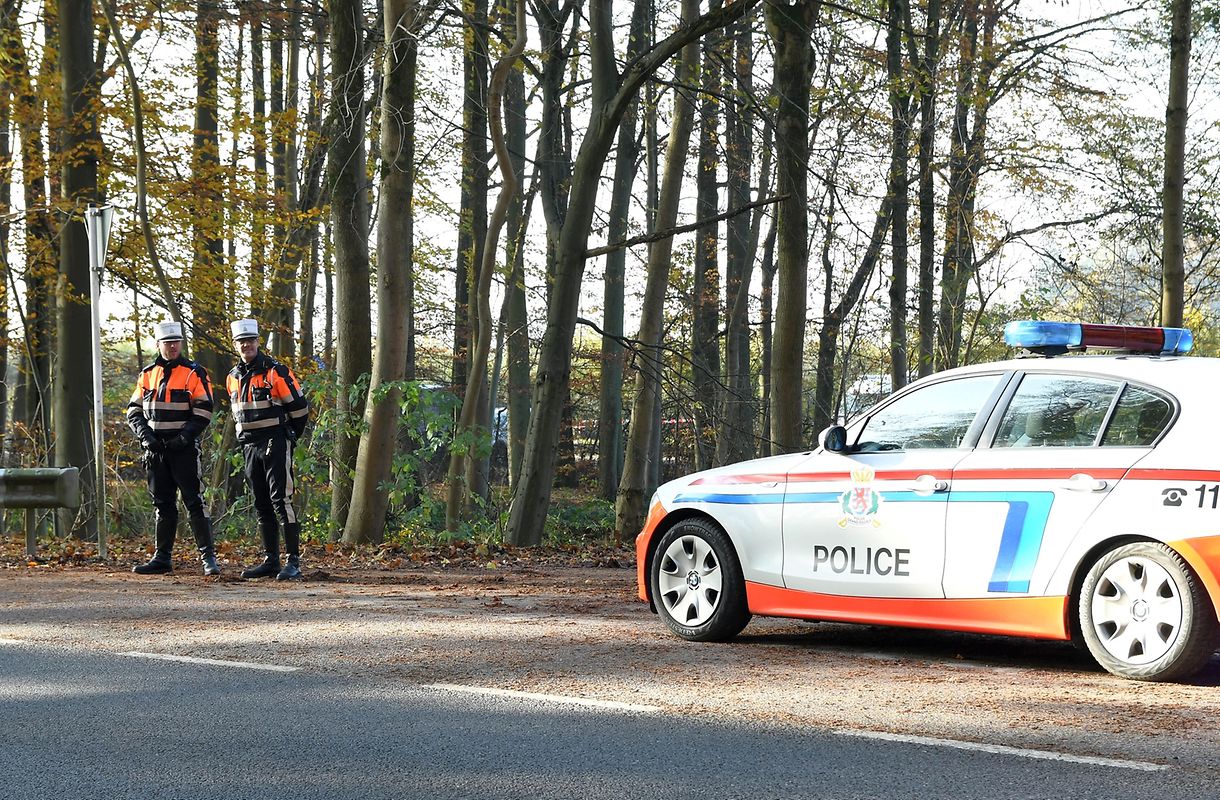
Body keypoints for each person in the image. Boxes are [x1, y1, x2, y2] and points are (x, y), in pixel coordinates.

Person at [126, 321, 220, 575]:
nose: (173, 346)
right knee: (163, 503)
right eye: (168, 343)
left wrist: (185, 437)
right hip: (155, 449)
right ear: (158, 345)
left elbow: (204, 409)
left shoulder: (193, 372)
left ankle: (208, 558)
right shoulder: (147, 374)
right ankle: (162, 557)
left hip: (184, 449)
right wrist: (146, 437)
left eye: (176, 342)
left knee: (194, 501)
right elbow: (133, 411)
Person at [226, 319, 310, 580]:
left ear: (258, 342)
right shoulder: (232, 377)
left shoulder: (276, 371)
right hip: (250, 444)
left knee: (280, 499)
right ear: (235, 345)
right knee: (261, 502)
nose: (246, 345)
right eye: (241, 341)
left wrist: (289, 436)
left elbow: (299, 409)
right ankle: (271, 559)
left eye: (250, 340)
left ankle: (292, 561)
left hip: (275, 439)